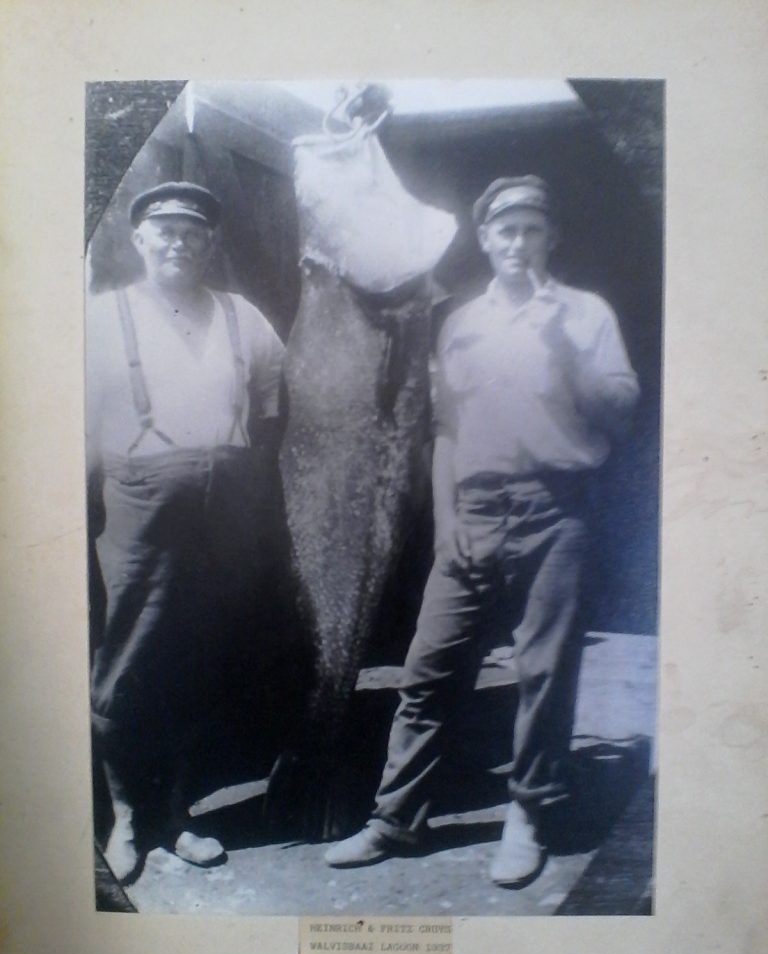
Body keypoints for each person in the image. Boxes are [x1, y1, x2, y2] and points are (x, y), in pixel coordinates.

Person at [325, 175, 640, 886]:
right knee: (428, 671)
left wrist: (567, 355)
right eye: (506, 230)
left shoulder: (586, 316)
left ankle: (527, 816)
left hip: (555, 511)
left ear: (551, 238)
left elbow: (620, 415)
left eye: (532, 229)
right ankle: (395, 819)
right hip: (472, 513)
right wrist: (445, 523)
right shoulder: (460, 323)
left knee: (543, 675)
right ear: (487, 239)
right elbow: (445, 430)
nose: (518, 243)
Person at [86, 182, 285, 883]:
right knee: (126, 666)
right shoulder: (102, 319)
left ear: (209, 244)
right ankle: (127, 820)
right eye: (163, 231)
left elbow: (269, 418)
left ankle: (175, 813)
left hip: (224, 510)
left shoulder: (245, 319)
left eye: (191, 233)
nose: (177, 242)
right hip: (138, 508)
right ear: (139, 241)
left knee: (197, 665)